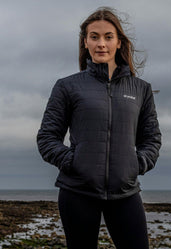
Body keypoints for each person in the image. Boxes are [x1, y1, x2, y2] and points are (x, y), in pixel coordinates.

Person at [37, 7, 161, 249]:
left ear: (118, 42)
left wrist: (137, 164)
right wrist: (74, 162)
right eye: (94, 37)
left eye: (108, 37)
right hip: (77, 192)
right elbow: (47, 138)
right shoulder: (67, 87)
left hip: (125, 193)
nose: (101, 43)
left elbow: (152, 138)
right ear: (85, 42)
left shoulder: (140, 89)